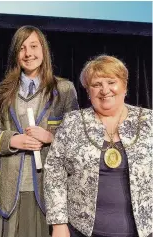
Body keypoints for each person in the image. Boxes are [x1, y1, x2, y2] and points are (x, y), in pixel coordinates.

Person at [44, 55, 152, 237]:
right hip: (82, 231)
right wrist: (58, 223)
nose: (105, 90)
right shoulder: (73, 122)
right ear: (88, 91)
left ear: (124, 86)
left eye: (111, 82)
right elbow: (54, 172)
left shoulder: (149, 121)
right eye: (96, 85)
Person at [0, 25, 79, 237]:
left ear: (44, 50)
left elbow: (75, 141)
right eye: (22, 48)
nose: (28, 53)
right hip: (11, 191)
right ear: (15, 54)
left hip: (48, 191)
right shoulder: (0, 91)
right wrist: (13, 140)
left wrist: (49, 137)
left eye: (34, 46)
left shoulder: (64, 90)